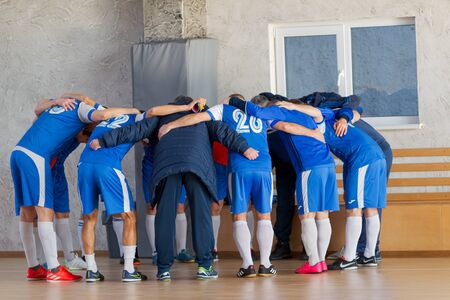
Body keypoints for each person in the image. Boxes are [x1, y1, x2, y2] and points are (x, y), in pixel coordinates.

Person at [92, 96, 258, 281]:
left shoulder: (163, 116)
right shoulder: (202, 114)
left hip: (167, 165)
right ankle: (204, 266)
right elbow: (225, 132)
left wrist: (104, 140)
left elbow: (135, 130)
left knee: (165, 215)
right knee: (201, 214)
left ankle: (163, 269)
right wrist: (245, 148)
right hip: (197, 165)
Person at [10, 95, 132, 282]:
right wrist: (134, 111)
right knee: (45, 213)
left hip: (18, 152)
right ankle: (55, 269)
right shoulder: (81, 109)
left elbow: (37, 112)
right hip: (36, 157)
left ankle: (34, 267)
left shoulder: (58, 108)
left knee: (27, 212)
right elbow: (104, 113)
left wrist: (55, 101)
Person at [159, 94, 278, 278]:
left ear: (230, 101)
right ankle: (266, 264)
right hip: (263, 167)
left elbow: (196, 117)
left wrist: (171, 125)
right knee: (264, 216)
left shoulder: (224, 110)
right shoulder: (261, 113)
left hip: (239, 167)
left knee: (239, 216)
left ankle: (248, 266)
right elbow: (285, 126)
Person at [227, 96, 338, 274]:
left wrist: (236, 102)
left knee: (307, 216)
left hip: (310, 166)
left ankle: (314, 261)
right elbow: (320, 115)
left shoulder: (278, 111)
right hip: (328, 165)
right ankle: (321, 261)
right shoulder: (306, 114)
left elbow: (280, 124)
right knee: (323, 215)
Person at [277, 102, 386, 269]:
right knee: (370, 207)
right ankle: (369, 255)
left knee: (354, 208)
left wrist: (291, 106)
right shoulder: (333, 116)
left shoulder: (319, 121)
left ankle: (349, 258)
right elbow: (356, 111)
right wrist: (344, 117)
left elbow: (352, 110)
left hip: (361, 157)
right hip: (376, 155)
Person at [142, 142, 194, 264]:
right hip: (152, 162)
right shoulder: (147, 121)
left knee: (179, 205)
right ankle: (156, 251)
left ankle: (181, 250)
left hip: (174, 162)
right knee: (151, 206)